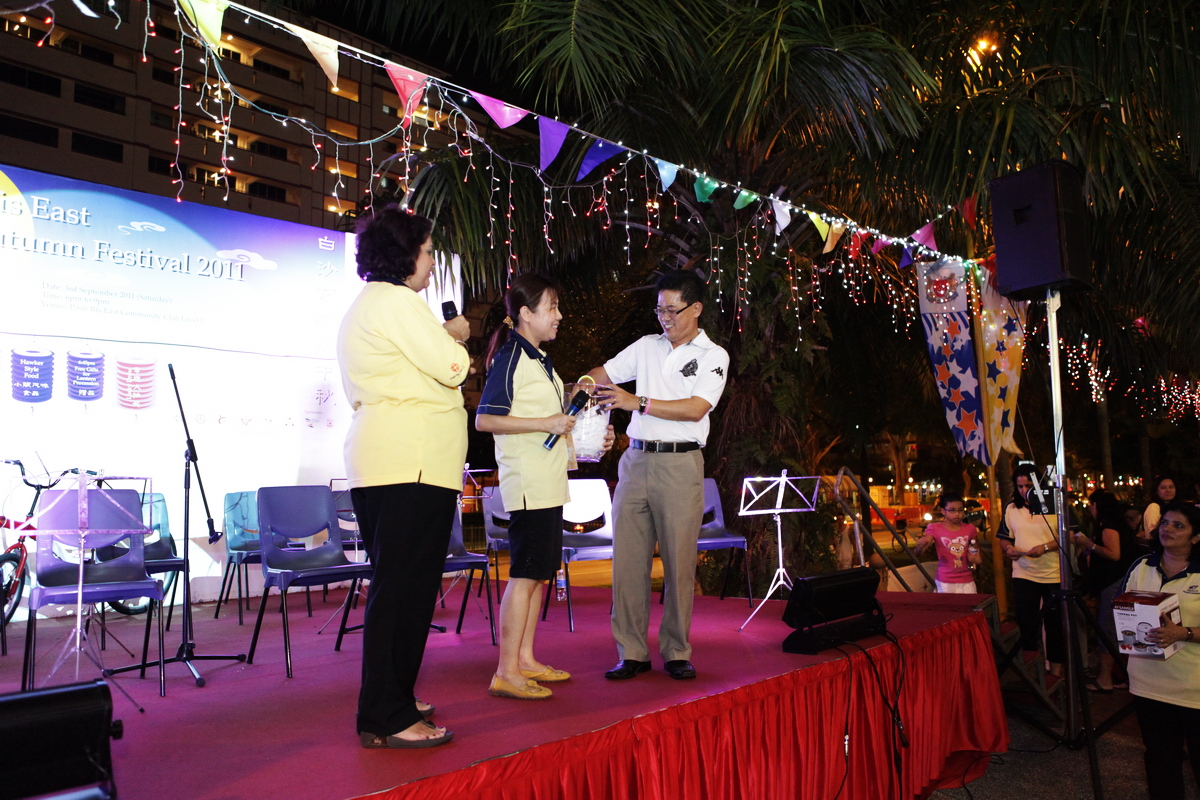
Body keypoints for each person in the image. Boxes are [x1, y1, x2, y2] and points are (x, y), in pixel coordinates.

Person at [337, 205, 470, 749]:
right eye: (429, 252)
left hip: (388, 461)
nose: (433, 262)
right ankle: (387, 715)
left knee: (398, 589)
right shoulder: (397, 301)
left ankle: (391, 697)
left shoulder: (371, 304)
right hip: (410, 464)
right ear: (406, 254)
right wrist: (454, 336)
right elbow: (454, 367)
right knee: (405, 594)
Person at [476, 274, 614, 700]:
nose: (559, 316)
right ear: (525, 313)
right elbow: (485, 419)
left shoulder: (539, 359)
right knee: (524, 575)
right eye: (551, 307)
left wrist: (591, 439)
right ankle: (506, 671)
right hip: (528, 481)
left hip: (549, 480)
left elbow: (556, 425)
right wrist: (546, 423)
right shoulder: (510, 357)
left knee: (538, 574)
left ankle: (525, 659)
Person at [587, 269, 729, 681]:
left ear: (696, 308)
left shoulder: (713, 355)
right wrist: (579, 390)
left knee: (679, 563)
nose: (664, 318)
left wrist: (638, 402)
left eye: (672, 310)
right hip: (635, 461)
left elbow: (696, 408)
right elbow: (602, 375)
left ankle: (676, 650)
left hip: (680, 465)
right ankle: (631, 652)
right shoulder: (647, 346)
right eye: (659, 310)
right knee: (627, 564)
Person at [1122, 502, 1200, 800]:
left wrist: (1184, 633)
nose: (1167, 529)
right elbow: (1123, 610)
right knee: (1160, 763)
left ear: (1196, 537)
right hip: (1148, 685)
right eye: (1165, 522)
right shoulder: (1142, 566)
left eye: (1179, 525)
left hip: (1193, 689)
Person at [997, 464, 1064, 676]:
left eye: (1029, 486)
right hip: (1024, 573)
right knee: (1027, 623)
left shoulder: (1055, 503)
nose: (1024, 490)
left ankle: (1056, 673)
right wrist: (1008, 549)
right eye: (1020, 486)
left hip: (1053, 573)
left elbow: (1069, 535)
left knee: (1054, 625)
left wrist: (1045, 547)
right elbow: (1004, 537)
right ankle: (1032, 673)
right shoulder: (1011, 508)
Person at [1072, 489, 1137, 692]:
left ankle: (1105, 679)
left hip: (1113, 583)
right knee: (1118, 629)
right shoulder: (1115, 523)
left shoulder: (1109, 526)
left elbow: (1114, 554)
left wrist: (1089, 545)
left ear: (1096, 506)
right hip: (1115, 582)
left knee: (1107, 629)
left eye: (1091, 505)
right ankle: (1125, 676)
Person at [914, 492, 982, 593]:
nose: (957, 514)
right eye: (952, 510)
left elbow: (977, 551)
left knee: (971, 603)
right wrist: (921, 546)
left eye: (960, 510)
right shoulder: (935, 528)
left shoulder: (970, 529)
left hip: (967, 581)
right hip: (945, 582)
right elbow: (919, 552)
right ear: (943, 511)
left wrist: (977, 560)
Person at [1139, 475, 1177, 540]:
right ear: (1156, 491)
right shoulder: (1154, 507)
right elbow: (1153, 532)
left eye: (1171, 487)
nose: (1168, 490)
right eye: (1163, 488)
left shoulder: (1175, 507)